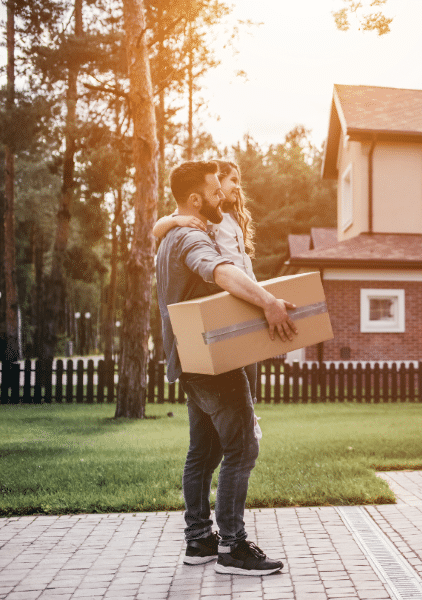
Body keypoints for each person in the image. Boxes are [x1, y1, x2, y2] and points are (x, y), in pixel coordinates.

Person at [156, 160, 297, 576]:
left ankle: (199, 540)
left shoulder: (170, 237)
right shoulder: (189, 238)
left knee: (203, 451)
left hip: (190, 360)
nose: (224, 197)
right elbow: (219, 270)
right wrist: (268, 302)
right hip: (213, 365)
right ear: (196, 198)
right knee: (241, 448)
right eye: (216, 192)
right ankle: (233, 548)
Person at [154, 159, 260, 401]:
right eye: (232, 180)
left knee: (250, 370)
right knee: (237, 379)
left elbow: (244, 264)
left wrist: (257, 292)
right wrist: (175, 220)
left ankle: (250, 413)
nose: (236, 187)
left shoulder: (230, 218)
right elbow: (157, 227)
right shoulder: (205, 216)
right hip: (230, 292)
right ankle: (248, 419)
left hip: (245, 292)